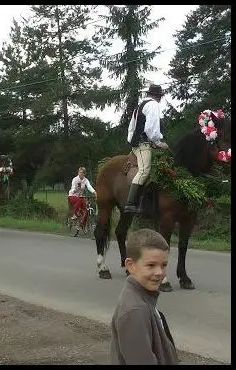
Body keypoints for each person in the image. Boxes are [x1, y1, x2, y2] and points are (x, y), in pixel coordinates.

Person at [109, 229, 178, 365]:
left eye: (164, 265)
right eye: (151, 265)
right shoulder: (135, 311)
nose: (159, 272)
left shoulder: (143, 299)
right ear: (130, 265)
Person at [124, 84, 169, 214]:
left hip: (137, 142)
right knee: (144, 170)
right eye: (160, 96)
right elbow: (151, 128)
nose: (160, 99)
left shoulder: (140, 106)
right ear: (157, 96)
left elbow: (131, 128)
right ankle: (130, 204)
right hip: (143, 144)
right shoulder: (153, 105)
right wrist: (158, 142)